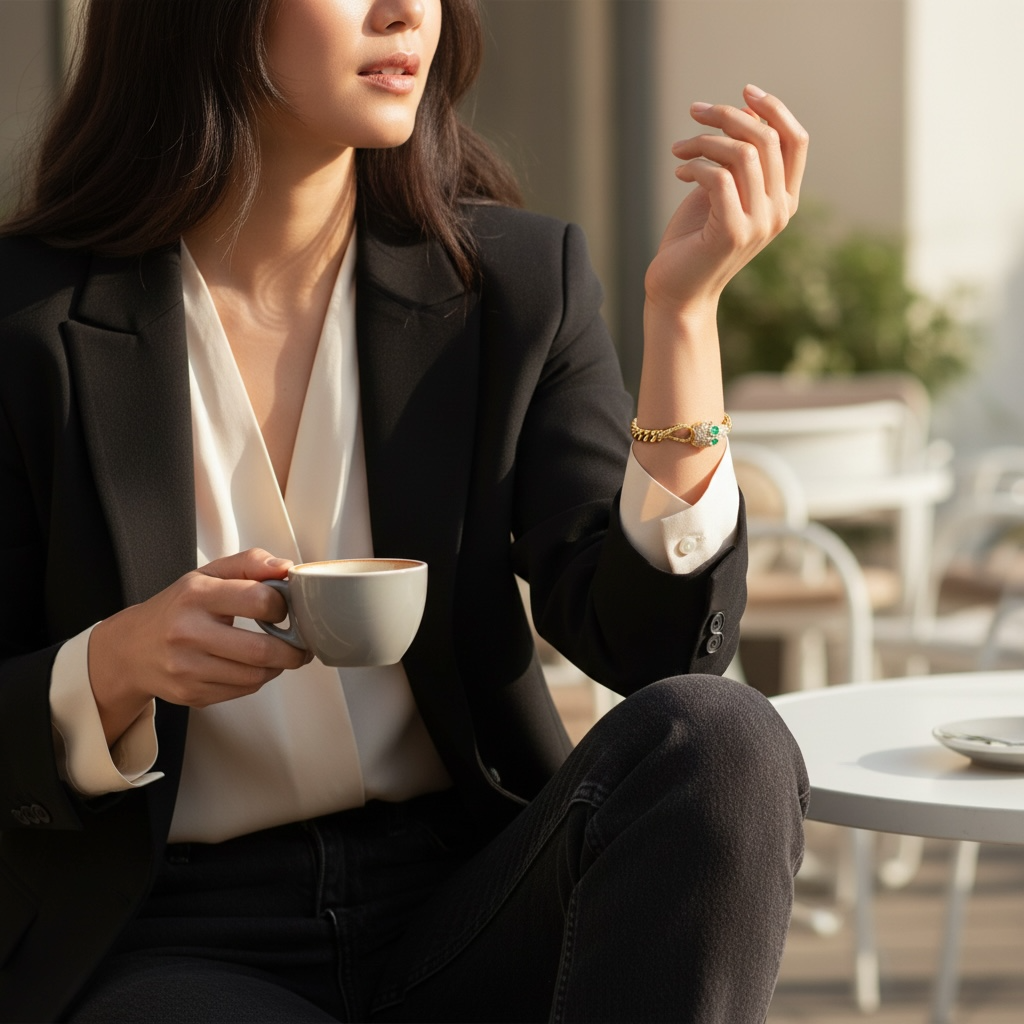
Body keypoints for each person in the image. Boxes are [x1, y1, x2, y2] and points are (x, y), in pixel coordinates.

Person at [0, 0, 810, 1020]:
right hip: (174, 933)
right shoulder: (25, 321)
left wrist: (684, 316)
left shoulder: (512, 283)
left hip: (464, 900)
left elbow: (658, 651)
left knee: (720, 739)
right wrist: (109, 668)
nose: (402, 12)